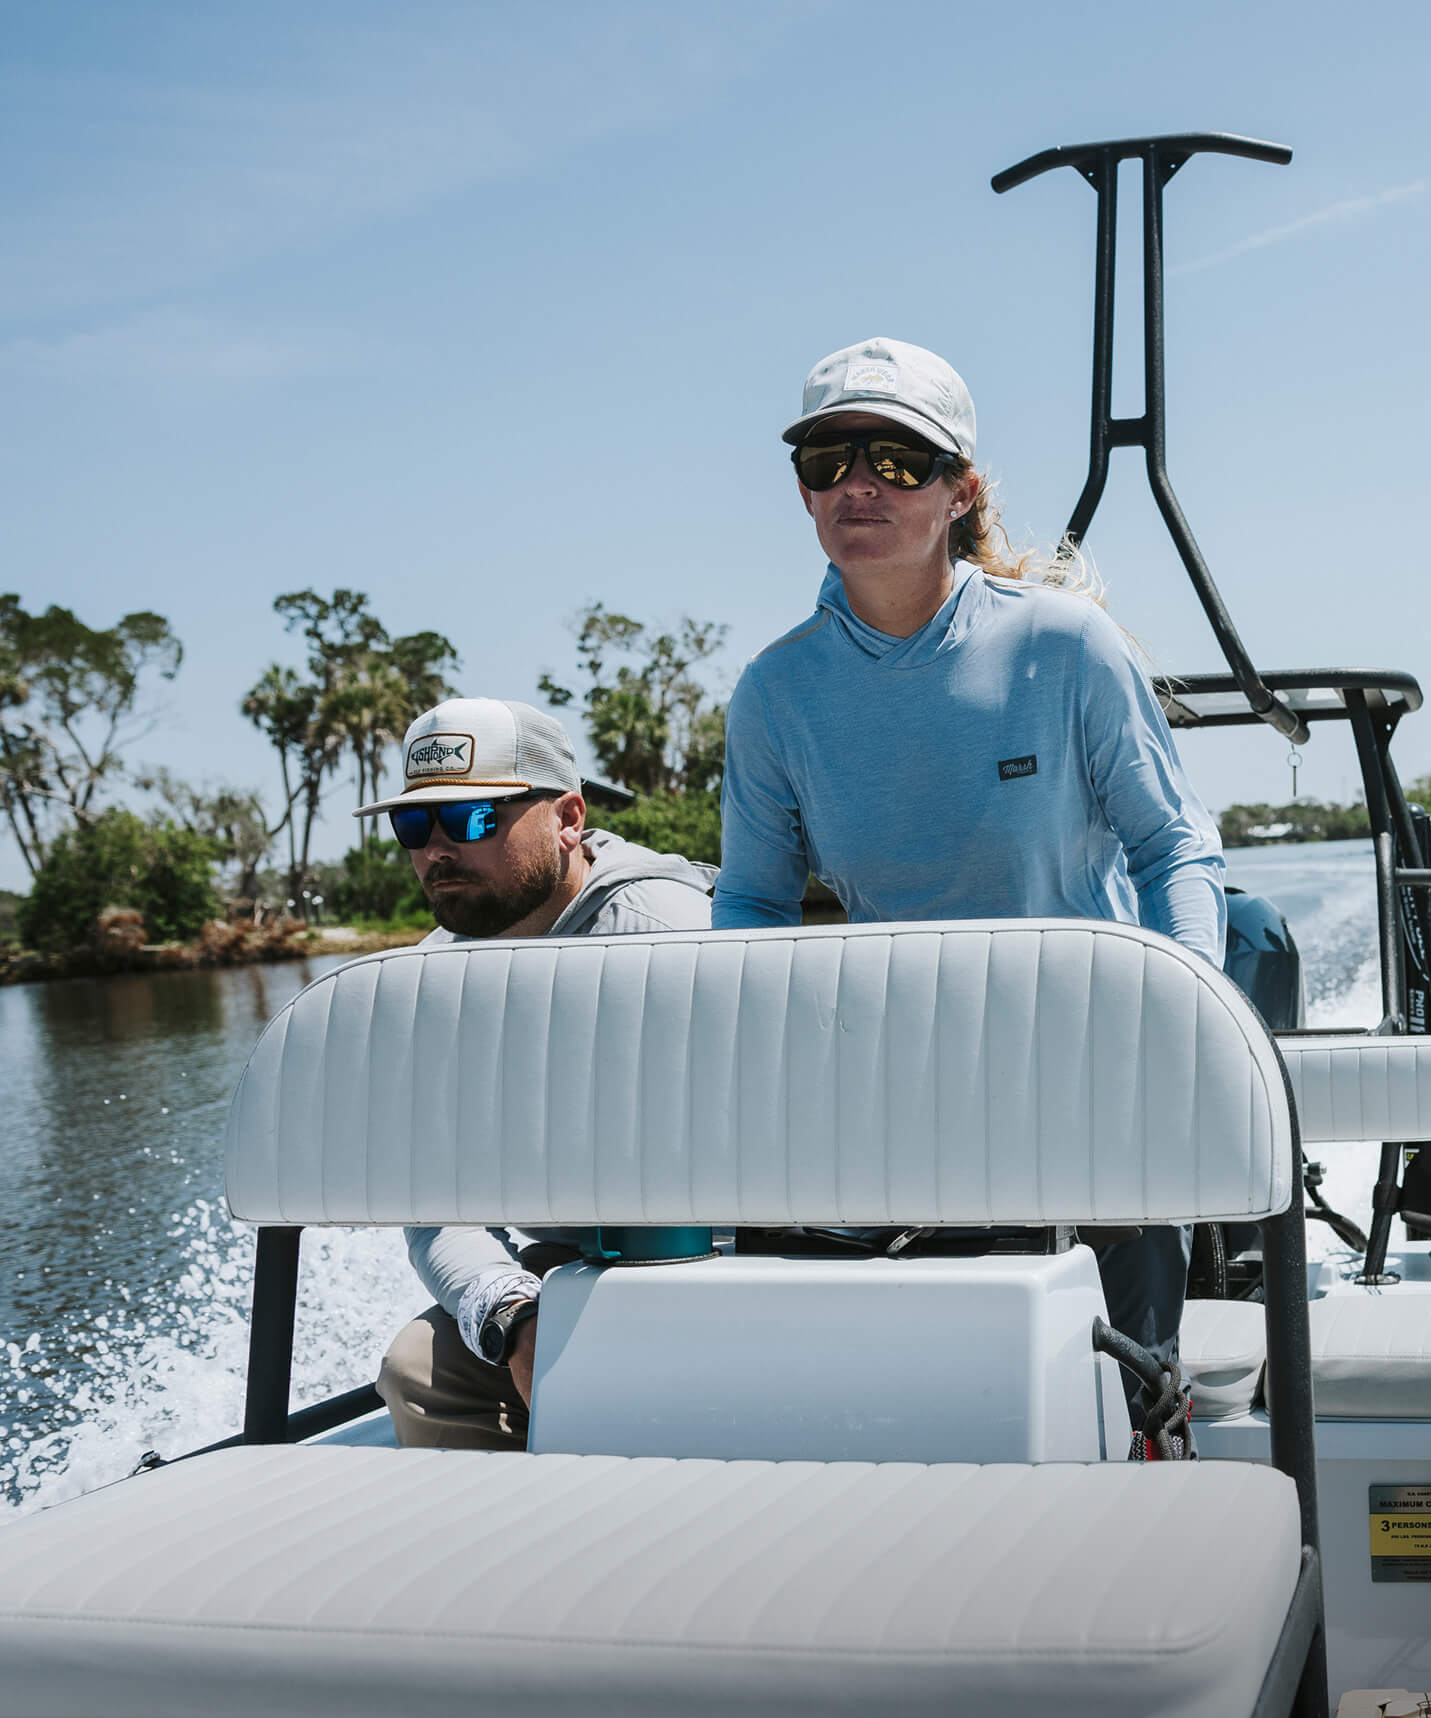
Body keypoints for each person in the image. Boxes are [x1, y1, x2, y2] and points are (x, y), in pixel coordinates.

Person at [713, 337, 1228, 1445]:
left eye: (897, 458)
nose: (859, 483)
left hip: (1099, 1075)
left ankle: (1155, 1431)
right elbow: (750, 908)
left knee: (1121, 1395)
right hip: (901, 1090)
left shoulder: (1067, 647)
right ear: (802, 490)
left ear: (961, 490)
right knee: (927, 1400)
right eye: (828, 458)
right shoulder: (773, 694)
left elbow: (1175, 850)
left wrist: (1187, 1023)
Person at [358, 697, 715, 1448]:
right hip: (564, 1271)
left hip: (720, 1256)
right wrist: (513, 1315)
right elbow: (436, 1201)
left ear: (567, 818)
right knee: (416, 1371)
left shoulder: (665, 933)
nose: (436, 850)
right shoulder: (433, 973)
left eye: (473, 819)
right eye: (413, 826)